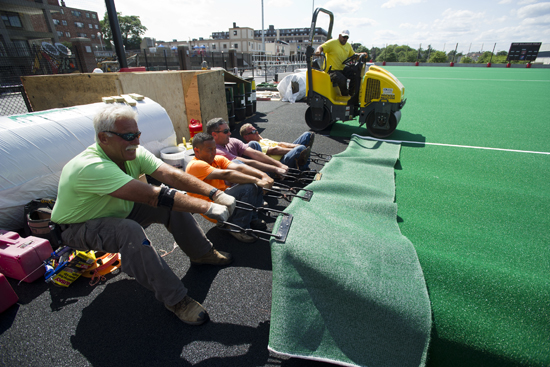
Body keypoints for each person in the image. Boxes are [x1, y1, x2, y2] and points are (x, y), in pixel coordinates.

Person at [51, 104, 237, 326]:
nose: (137, 141)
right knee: (130, 230)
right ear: (103, 138)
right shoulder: (91, 166)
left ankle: (201, 253)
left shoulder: (130, 151)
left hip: (117, 208)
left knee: (171, 201)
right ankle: (176, 300)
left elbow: (169, 174)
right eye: (129, 136)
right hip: (78, 227)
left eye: (137, 134)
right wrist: (206, 207)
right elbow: (151, 196)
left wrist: (214, 193)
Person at [186, 133, 273, 243]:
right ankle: (236, 227)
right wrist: (257, 180)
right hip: (213, 206)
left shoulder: (216, 159)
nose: (214, 152)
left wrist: (262, 176)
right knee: (249, 186)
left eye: (214, 149)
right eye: (209, 150)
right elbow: (226, 174)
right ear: (197, 151)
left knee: (253, 179)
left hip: (222, 196)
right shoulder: (195, 165)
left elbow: (239, 167)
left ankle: (252, 218)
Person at [206, 118, 288, 177]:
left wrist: (279, 164)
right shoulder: (216, 151)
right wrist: (275, 168)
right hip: (231, 180)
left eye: (229, 130)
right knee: (238, 162)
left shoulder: (232, 141)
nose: (230, 133)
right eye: (225, 131)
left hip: (242, 170)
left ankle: (269, 177)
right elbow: (246, 162)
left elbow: (255, 153)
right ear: (214, 135)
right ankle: (266, 179)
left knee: (253, 144)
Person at [239, 123, 314, 170]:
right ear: (246, 137)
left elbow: (281, 144)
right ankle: (304, 169)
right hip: (281, 161)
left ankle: (303, 157)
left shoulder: (263, 140)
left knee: (307, 135)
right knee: (301, 149)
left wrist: (296, 146)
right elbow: (275, 150)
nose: (257, 132)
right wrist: (298, 149)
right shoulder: (253, 146)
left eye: (256, 130)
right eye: (253, 132)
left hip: (286, 153)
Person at [315, 30, 368, 96]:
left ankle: (351, 95)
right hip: (331, 71)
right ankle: (345, 96)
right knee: (342, 79)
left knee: (356, 74)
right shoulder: (332, 43)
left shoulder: (348, 46)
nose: (345, 39)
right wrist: (318, 51)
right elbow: (321, 47)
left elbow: (353, 55)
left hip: (342, 69)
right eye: (344, 37)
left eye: (347, 38)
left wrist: (361, 54)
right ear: (339, 36)